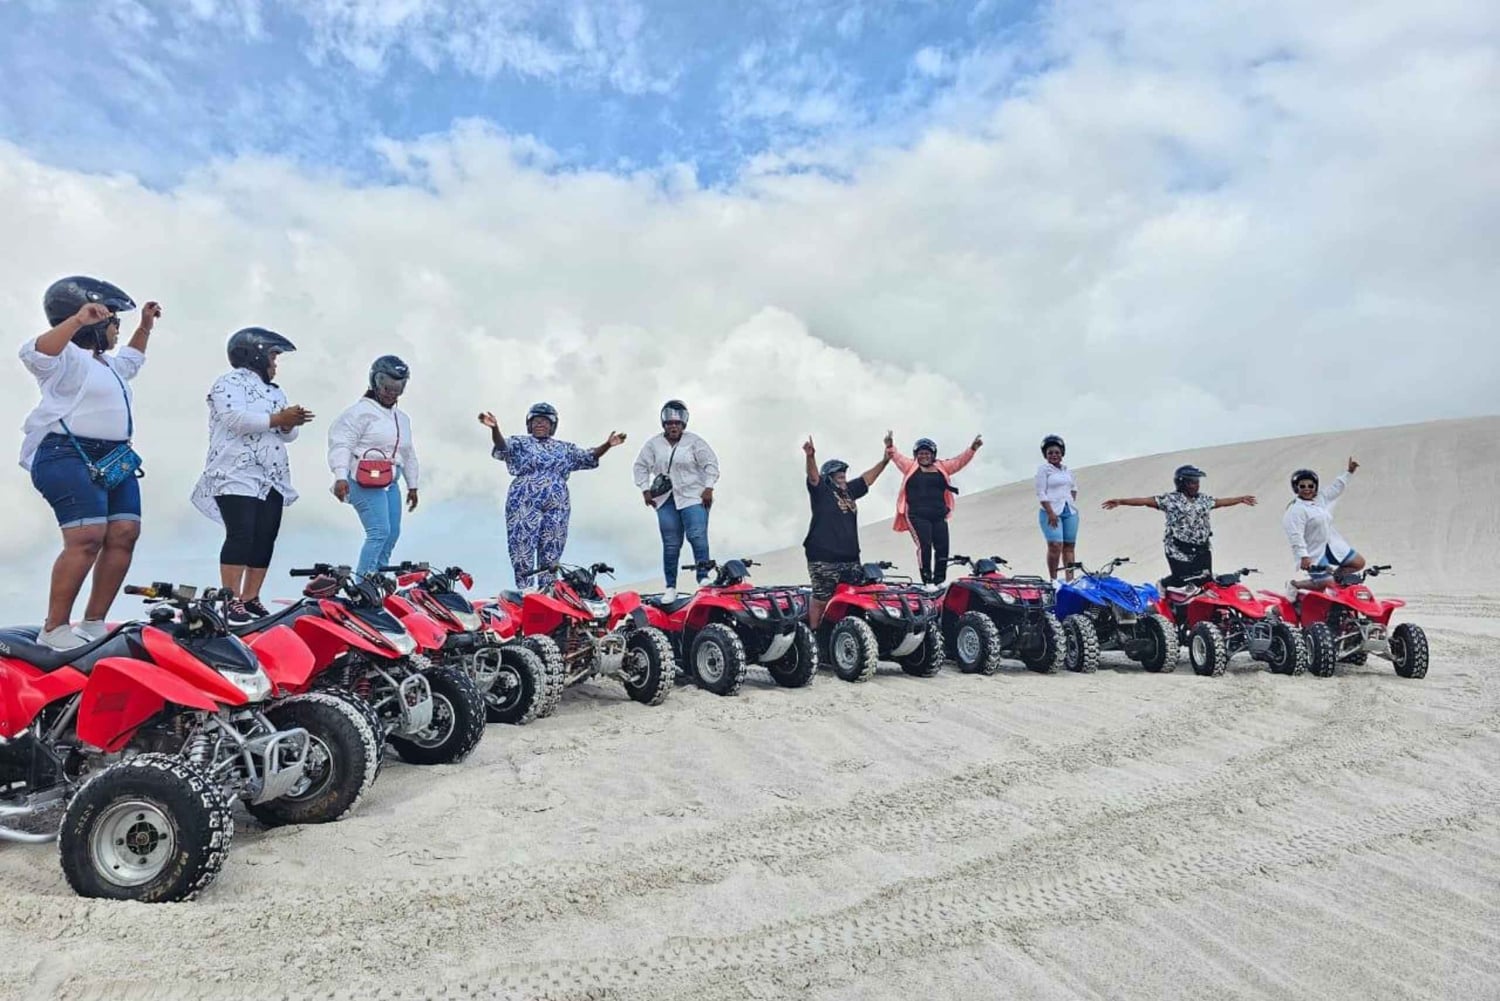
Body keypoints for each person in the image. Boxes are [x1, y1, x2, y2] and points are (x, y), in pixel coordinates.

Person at [18, 277, 161, 649]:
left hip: (113, 459)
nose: (118, 329)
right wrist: (77, 321)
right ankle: (54, 628)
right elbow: (34, 353)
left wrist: (145, 328)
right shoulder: (64, 359)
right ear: (95, 321)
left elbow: (132, 360)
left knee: (125, 533)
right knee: (87, 538)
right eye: (115, 321)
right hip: (67, 453)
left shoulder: (109, 365)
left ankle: (94, 621)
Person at [191, 328, 314, 623]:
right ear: (255, 353)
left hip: (270, 474)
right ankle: (230, 598)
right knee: (241, 533)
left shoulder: (275, 391)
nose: (275, 362)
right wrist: (278, 419)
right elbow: (235, 419)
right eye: (273, 355)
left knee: (265, 536)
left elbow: (288, 435)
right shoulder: (227, 383)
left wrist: (288, 424)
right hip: (234, 471)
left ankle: (251, 596)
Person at [479, 403, 625, 589]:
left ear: (553, 426)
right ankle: (526, 591)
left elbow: (588, 456)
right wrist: (495, 429)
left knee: (553, 546)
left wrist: (608, 445)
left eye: (545, 421)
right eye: (536, 421)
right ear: (529, 425)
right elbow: (503, 447)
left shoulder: (565, 449)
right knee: (522, 545)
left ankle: (547, 591)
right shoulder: (520, 443)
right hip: (524, 499)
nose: (540, 424)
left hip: (557, 502)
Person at [328, 355, 420, 576]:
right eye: (386, 386)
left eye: (398, 387)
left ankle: (377, 577)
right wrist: (340, 476)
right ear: (375, 381)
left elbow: (408, 454)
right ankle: (363, 583)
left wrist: (413, 485)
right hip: (362, 479)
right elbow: (341, 444)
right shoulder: (358, 413)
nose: (391, 392)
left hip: (390, 480)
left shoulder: (402, 418)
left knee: (392, 533)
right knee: (379, 531)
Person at [1101, 465, 1257, 588]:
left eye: (1197, 482)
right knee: (1182, 581)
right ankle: (1163, 585)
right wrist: (1121, 501)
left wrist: (1240, 499)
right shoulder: (1171, 500)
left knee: (1205, 580)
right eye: (1192, 482)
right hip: (1177, 548)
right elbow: (1145, 501)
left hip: (1202, 547)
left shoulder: (1203, 499)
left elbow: (1220, 502)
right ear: (1181, 483)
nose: (1196, 485)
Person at [632, 399, 720, 601]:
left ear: (683, 424)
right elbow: (640, 466)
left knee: (697, 535)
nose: (673, 426)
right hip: (665, 499)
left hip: (692, 495)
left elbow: (710, 464)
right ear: (664, 424)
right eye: (670, 423)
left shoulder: (694, 442)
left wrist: (709, 487)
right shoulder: (653, 444)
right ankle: (670, 586)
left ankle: (703, 576)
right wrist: (645, 489)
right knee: (671, 543)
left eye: (677, 423)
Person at [803, 432, 892, 629]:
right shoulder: (822, 492)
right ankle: (815, 635)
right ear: (829, 477)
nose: (842, 475)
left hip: (850, 558)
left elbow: (867, 479)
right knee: (821, 598)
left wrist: (885, 461)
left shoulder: (848, 491)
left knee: (853, 596)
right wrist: (810, 457)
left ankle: (844, 632)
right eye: (838, 473)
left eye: (843, 473)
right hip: (823, 558)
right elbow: (813, 478)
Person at [886, 433, 983, 584]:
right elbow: (897, 457)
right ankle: (928, 582)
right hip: (917, 515)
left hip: (938, 515)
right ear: (916, 455)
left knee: (943, 547)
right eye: (920, 454)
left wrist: (972, 449)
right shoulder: (910, 466)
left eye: (927, 453)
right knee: (924, 546)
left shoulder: (942, 467)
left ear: (933, 454)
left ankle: (939, 581)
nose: (924, 456)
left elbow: (959, 461)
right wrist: (890, 446)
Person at [1283, 459, 1365, 593]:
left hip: (1331, 546)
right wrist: (1303, 556)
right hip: (1312, 552)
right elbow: (1295, 535)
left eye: (1311, 486)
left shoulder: (1319, 498)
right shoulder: (1295, 510)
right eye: (1302, 486)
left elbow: (1335, 488)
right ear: (1296, 487)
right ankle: (1294, 585)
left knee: (1358, 563)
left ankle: (1335, 585)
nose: (1307, 489)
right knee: (1324, 583)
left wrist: (1349, 472)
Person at [1035, 434, 1079, 583]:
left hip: (1069, 511)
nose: (1054, 455)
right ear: (1046, 455)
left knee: (1069, 546)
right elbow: (1041, 492)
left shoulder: (1067, 471)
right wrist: (1050, 512)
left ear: (1062, 453)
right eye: (1050, 453)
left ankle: (1070, 580)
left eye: (1057, 452)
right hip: (1051, 511)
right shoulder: (1044, 470)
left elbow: (1074, 488)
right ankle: (1053, 580)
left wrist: (1070, 500)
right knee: (1055, 545)